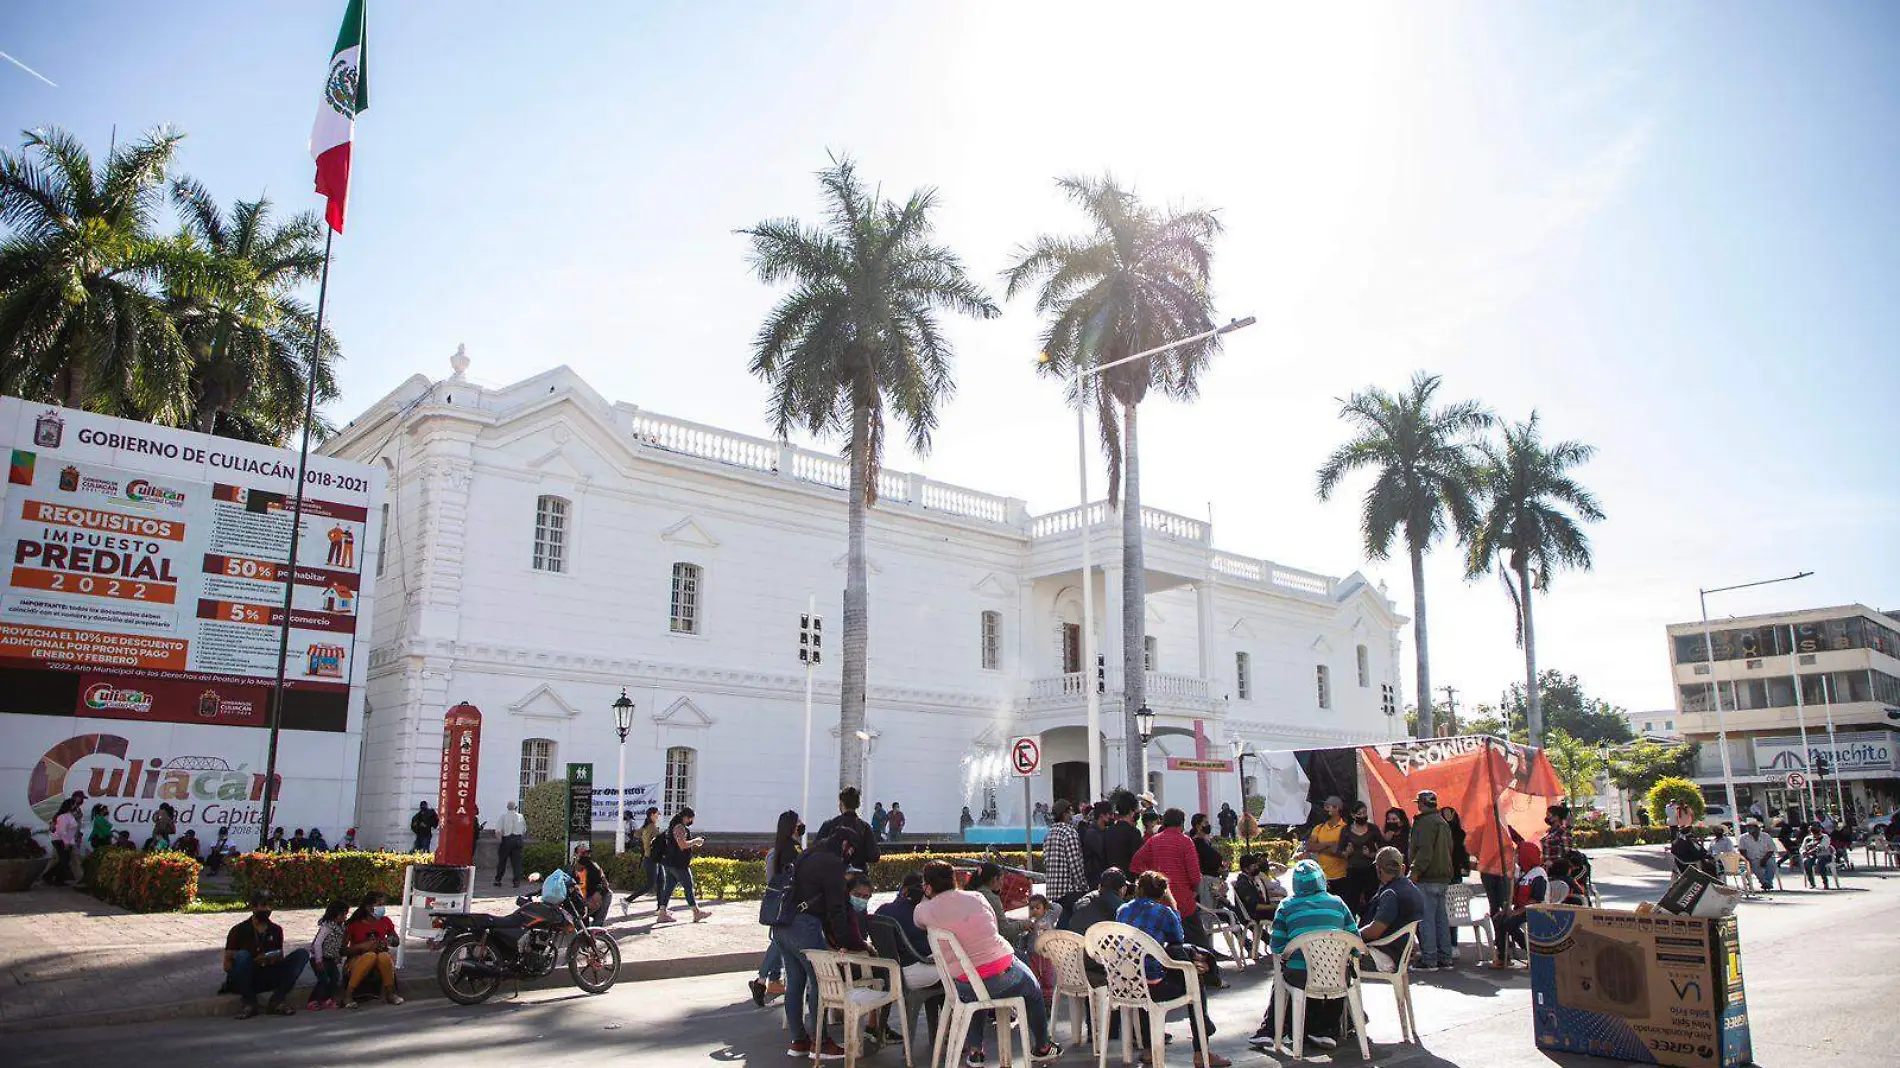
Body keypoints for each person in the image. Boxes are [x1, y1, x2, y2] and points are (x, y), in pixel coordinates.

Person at [914, 858, 1062, 1065]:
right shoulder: (977, 897)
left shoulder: (925, 910)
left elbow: (918, 919)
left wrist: (928, 896)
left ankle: (976, 1050)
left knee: (975, 989)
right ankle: (1043, 1046)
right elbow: (994, 926)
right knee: (1034, 989)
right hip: (1002, 976)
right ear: (954, 879)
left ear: (928, 887)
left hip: (963, 985)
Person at [1115, 872, 1227, 1068]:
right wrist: (1173, 906)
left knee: (1142, 970)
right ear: (1163, 892)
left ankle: (1150, 1049)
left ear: (1138, 888)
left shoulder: (1122, 910)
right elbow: (1177, 939)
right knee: (1194, 979)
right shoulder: (1162, 912)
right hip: (1155, 988)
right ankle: (1201, 1050)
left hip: (1126, 984)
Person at [1254, 859, 1358, 1054]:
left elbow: (1276, 946)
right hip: (1337, 976)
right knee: (1341, 974)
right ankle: (1329, 1030)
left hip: (1300, 977)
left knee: (1281, 978)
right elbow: (1354, 940)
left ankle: (1270, 1029)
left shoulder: (1286, 906)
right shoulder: (1338, 903)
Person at [778, 825, 865, 1060]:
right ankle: (821, 1043)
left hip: (782, 925)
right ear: (845, 845)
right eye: (852, 849)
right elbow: (836, 908)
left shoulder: (808, 854)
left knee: (795, 983)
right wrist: (846, 941)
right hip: (805, 926)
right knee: (820, 982)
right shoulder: (833, 863)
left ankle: (799, 1041)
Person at [223, 892, 309, 1019]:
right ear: (253, 907)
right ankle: (249, 1003)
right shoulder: (239, 930)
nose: (267, 909)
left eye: (269, 906)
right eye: (263, 905)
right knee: (242, 955)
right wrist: (249, 960)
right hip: (247, 976)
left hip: (268, 972)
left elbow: (280, 956)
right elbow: (227, 965)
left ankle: (277, 1000)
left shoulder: (276, 929)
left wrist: (271, 958)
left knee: (302, 954)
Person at [751, 811, 801, 1008]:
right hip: (787, 902)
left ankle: (773, 980)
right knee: (779, 942)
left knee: (779, 941)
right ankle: (762, 980)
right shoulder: (790, 850)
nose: (802, 825)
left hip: (778, 901)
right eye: (798, 823)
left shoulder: (778, 848)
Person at [1409, 789, 1456, 971]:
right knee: (1441, 919)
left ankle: (1429, 959)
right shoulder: (1442, 822)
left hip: (1427, 877)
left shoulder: (1425, 823)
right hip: (1443, 877)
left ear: (1421, 803)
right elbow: (1449, 848)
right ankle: (1446, 957)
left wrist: (1415, 871)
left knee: (1426, 919)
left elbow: (1425, 851)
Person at [1358, 847, 1424, 972]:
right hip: (1400, 954)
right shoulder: (1414, 890)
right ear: (1403, 868)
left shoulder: (1391, 893)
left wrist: (1350, 934)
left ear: (1379, 870)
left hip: (1384, 956)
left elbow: (1374, 931)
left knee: (1335, 958)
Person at [1492, 840, 1551, 966]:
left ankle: (1530, 951)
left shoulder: (1538, 874)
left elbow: (1536, 899)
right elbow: (1514, 895)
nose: (1516, 857)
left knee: (1510, 923)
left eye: (1518, 854)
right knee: (1498, 919)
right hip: (1522, 909)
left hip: (1536, 910)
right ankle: (1503, 956)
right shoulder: (1524, 873)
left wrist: (1516, 912)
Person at [341, 891, 404, 1007]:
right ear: (368, 907)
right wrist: (361, 947)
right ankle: (348, 995)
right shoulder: (354, 924)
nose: (382, 908)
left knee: (384, 956)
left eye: (383, 905)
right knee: (370, 956)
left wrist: (388, 941)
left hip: (380, 958)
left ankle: (390, 994)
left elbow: (396, 941)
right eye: (379, 905)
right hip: (358, 960)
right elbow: (342, 950)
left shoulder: (385, 921)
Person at [656, 807, 711, 923]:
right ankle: (696, 912)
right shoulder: (679, 827)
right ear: (686, 817)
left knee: (669, 887)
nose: (691, 821)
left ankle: (662, 913)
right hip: (678, 863)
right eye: (691, 819)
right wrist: (696, 841)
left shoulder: (673, 826)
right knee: (688, 886)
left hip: (669, 862)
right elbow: (682, 845)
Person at [1041, 800, 1088, 914]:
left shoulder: (1049, 833)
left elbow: (1046, 861)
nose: (1072, 814)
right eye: (1071, 811)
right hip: (1068, 890)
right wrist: (1084, 886)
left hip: (1053, 890)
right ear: (1064, 814)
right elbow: (1075, 863)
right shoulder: (1069, 832)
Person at [817, 787, 880, 866]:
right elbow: (874, 856)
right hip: (858, 874)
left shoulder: (829, 825)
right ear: (858, 805)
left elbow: (816, 850)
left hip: (833, 874)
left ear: (841, 803)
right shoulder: (865, 827)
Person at [1338, 803, 1382, 915]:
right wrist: (1347, 853)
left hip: (1370, 869)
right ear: (1353, 815)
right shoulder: (1346, 830)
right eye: (1360, 813)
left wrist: (1371, 854)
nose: (1363, 816)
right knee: (1351, 901)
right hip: (1353, 870)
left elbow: (1383, 848)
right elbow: (1339, 851)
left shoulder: (1373, 829)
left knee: (1372, 900)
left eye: (1365, 813)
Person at [308, 900, 350, 1011]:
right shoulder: (326, 927)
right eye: (343, 915)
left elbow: (336, 944)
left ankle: (327, 999)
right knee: (324, 979)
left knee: (335, 977)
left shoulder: (339, 928)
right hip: (320, 958)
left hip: (330, 958)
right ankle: (314, 1000)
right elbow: (317, 943)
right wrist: (318, 960)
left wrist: (337, 956)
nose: (344, 917)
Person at [1061, 868, 1128, 933]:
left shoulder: (1083, 899)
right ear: (1122, 889)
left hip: (1074, 941)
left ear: (1099, 886)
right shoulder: (1122, 908)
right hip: (1097, 943)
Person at [1302, 796, 1350, 886]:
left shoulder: (1345, 828)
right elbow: (1309, 847)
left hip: (1340, 877)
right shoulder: (1319, 828)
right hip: (1321, 878)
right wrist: (1330, 844)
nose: (1324, 809)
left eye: (1327, 806)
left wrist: (1318, 848)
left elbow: (1340, 852)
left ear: (1337, 808)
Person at [1233, 854, 1286, 927]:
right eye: (1254, 866)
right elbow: (1255, 906)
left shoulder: (1254, 879)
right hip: (1254, 914)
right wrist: (1274, 906)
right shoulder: (1243, 883)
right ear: (1246, 869)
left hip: (1261, 911)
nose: (1257, 868)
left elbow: (1262, 895)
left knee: (1288, 908)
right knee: (1285, 913)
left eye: (1257, 865)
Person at [1101, 794, 1145, 879]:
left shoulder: (1108, 831)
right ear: (1131, 811)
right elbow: (1138, 861)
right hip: (1128, 880)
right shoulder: (1134, 832)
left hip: (1110, 879)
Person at [574, 843, 612, 926]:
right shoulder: (571, 868)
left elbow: (605, 884)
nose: (586, 856)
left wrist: (599, 893)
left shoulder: (594, 867)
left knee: (608, 894)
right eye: (583, 853)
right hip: (577, 902)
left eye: (587, 853)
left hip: (589, 901)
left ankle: (596, 927)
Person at [43, 799, 79, 885]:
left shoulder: (69, 815)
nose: (75, 806)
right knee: (64, 861)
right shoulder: (62, 816)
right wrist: (66, 842)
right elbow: (62, 831)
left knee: (64, 861)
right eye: (73, 804)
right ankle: (50, 877)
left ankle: (55, 878)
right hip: (60, 841)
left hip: (66, 841)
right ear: (69, 806)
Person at [1738, 821, 1778, 891]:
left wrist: (1764, 859)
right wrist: (1747, 859)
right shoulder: (1743, 837)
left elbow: (1771, 849)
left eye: (1751, 828)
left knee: (1771, 863)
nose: (1749, 830)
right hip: (1752, 858)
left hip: (1767, 856)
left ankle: (1768, 882)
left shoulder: (1766, 836)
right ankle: (1764, 882)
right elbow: (1742, 850)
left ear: (1758, 829)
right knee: (1755, 864)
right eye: (1748, 828)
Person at [495, 799, 527, 887]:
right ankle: (516, 881)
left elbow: (498, 831)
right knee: (517, 862)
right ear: (516, 807)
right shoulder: (521, 816)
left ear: (507, 807)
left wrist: (500, 840)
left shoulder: (503, 816)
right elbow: (524, 830)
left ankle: (498, 879)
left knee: (502, 861)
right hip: (517, 839)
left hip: (507, 839)